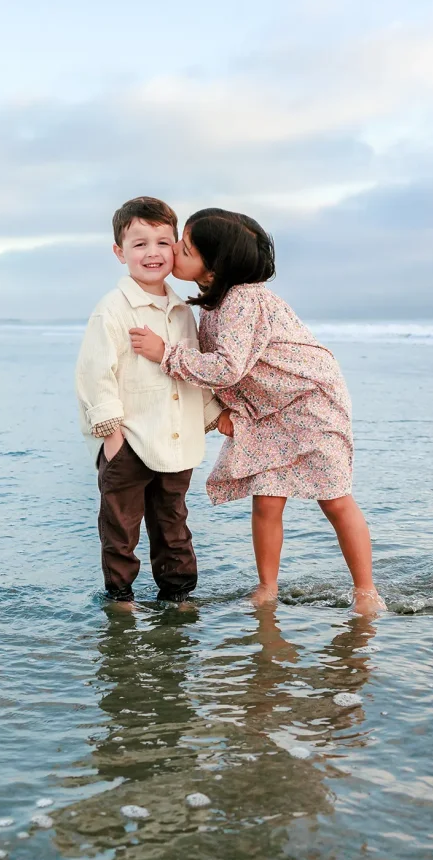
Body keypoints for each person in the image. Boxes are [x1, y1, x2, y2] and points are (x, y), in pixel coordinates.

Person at [128, 208, 386, 615]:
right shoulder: (213, 303)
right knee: (267, 501)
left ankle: (367, 591)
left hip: (310, 402)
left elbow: (228, 367)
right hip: (269, 410)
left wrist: (166, 354)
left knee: (335, 498)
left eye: (185, 247)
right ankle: (267, 587)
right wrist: (219, 412)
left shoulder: (243, 301)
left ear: (214, 265)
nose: (174, 250)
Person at [75, 197, 223, 608]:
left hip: (176, 438)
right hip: (130, 439)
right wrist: (112, 433)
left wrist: (213, 414)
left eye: (162, 242)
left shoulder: (181, 311)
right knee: (121, 525)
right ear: (120, 252)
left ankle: (177, 594)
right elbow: (93, 374)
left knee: (172, 520)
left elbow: (193, 371)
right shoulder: (113, 309)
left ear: (175, 247)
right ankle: (121, 596)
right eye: (139, 244)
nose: (152, 253)